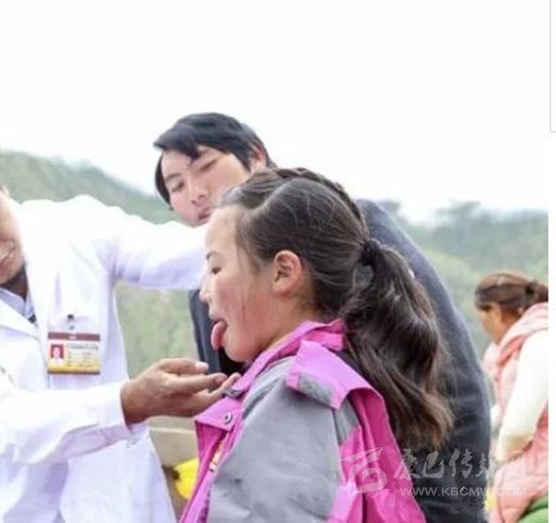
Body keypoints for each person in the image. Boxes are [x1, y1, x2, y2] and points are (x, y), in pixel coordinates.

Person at [0, 128, 237, 522]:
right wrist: (128, 403)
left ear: (2, 189)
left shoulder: (75, 228)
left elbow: (187, 255)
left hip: (117, 502)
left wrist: (262, 215)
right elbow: (3, 423)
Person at [153, 112, 491, 521]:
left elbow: (453, 383)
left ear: (256, 156)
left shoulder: (352, 234)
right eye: (176, 186)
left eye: (205, 166)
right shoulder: (210, 294)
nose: (195, 193)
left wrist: (445, 510)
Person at [181, 167, 453, 521]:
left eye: (216, 269)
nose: (204, 291)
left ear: (283, 272)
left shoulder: (294, 395)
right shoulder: (328, 374)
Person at [474, 272, 548, 523]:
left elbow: (518, 426)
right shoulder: (523, 345)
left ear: (496, 312)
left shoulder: (540, 341)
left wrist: (502, 456)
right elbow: (505, 410)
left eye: (483, 320)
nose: (485, 330)